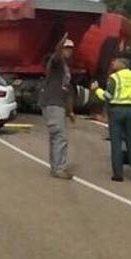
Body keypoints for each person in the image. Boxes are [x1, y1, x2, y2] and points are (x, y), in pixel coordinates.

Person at [91, 58, 131, 182]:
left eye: (115, 62)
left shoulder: (114, 78)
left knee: (116, 143)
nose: (113, 63)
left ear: (122, 64)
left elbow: (108, 96)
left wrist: (96, 90)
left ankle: (118, 174)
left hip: (117, 111)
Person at [39, 33, 76, 179]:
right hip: (52, 102)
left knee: (56, 136)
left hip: (59, 103)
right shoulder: (56, 63)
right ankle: (59, 168)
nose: (69, 50)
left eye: (71, 48)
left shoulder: (66, 68)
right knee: (59, 136)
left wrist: (70, 111)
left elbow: (68, 91)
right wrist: (62, 40)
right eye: (66, 48)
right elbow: (57, 52)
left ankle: (56, 167)